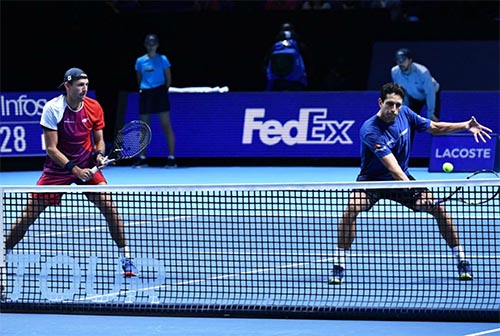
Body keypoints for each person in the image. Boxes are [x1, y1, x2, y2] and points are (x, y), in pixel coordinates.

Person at [329, 82, 493, 285]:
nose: (394, 109)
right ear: (380, 102)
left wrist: (465, 125)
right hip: (372, 182)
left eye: (398, 104)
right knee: (351, 209)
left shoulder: (406, 113)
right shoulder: (370, 130)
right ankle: (339, 262)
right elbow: (393, 169)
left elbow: (435, 127)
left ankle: (462, 259)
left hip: (402, 177)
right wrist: (413, 189)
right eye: (390, 104)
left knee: (439, 210)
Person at [4, 68, 138, 277]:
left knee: (109, 207)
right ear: (67, 86)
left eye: (86, 84)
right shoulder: (53, 108)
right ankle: (3, 254)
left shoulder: (94, 107)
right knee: (28, 216)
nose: (84, 89)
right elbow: (51, 148)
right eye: (79, 85)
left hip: (87, 164)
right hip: (58, 170)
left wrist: (100, 155)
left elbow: (99, 139)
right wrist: (74, 170)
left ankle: (126, 259)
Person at [133, 33, 177, 168]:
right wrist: (145, 88)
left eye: (153, 44)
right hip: (146, 93)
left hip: (160, 92)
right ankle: (142, 158)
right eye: (149, 44)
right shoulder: (140, 61)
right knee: (144, 127)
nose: (151, 47)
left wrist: (162, 90)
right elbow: (139, 78)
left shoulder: (163, 59)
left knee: (166, 125)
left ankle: (171, 158)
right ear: (146, 45)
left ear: (157, 45)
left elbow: (168, 78)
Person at [391, 48, 441, 122]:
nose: (400, 62)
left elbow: (429, 93)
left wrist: (431, 113)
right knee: (408, 121)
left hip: (432, 93)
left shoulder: (422, 72)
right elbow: (401, 92)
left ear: (410, 60)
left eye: (403, 60)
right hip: (414, 96)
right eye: (398, 60)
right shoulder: (394, 72)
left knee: (434, 122)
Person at [265, 22, 308, 91]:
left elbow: (268, 57)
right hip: (294, 75)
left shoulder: (276, 45)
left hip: (277, 76)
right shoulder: (297, 44)